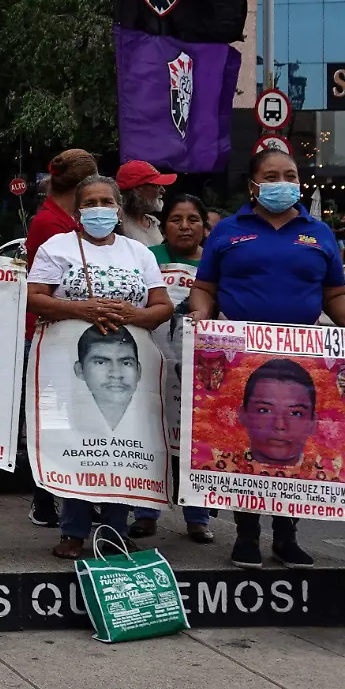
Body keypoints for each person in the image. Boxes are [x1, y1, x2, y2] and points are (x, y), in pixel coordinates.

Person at [187, 147, 345, 570]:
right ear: (253, 184)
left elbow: (335, 294)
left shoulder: (318, 232)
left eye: (290, 174)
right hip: (241, 355)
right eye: (272, 176)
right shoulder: (228, 231)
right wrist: (199, 312)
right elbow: (206, 287)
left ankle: (287, 537)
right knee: (247, 444)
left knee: (293, 448)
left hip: (302, 354)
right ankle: (246, 535)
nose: (282, 183)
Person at [27, 173, 173, 558]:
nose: (98, 210)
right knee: (80, 443)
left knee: (122, 444)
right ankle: (72, 532)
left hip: (127, 367)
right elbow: (34, 298)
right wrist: (82, 309)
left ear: (118, 207)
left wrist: (130, 314)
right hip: (72, 368)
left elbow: (162, 307)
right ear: (77, 212)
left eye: (105, 202)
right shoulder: (57, 248)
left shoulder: (137, 252)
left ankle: (113, 530)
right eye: (89, 203)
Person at [133, 192, 214, 543]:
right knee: (151, 435)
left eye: (193, 219)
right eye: (176, 219)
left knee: (196, 437)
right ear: (164, 226)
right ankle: (146, 513)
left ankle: (197, 518)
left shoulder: (217, 263)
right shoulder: (148, 259)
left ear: (205, 227)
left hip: (200, 368)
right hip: (156, 362)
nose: (184, 226)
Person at [23, 149, 98, 528]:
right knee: (53, 418)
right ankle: (43, 498)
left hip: (78, 330)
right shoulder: (50, 224)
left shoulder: (68, 220)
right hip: (50, 330)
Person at [115, 160, 175, 246]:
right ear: (138, 188)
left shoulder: (155, 222)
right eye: (157, 185)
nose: (163, 191)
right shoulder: (115, 223)